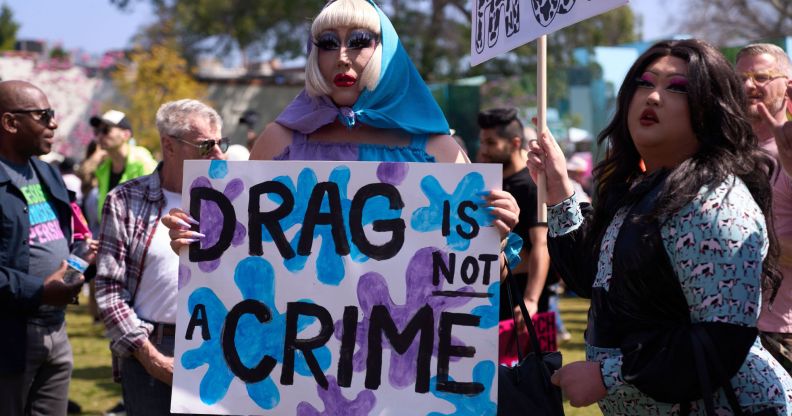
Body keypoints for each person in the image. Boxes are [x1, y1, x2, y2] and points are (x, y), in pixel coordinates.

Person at [527, 39, 792, 413]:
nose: (653, 97)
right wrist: (558, 192)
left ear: (710, 109)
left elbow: (720, 338)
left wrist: (610, 374)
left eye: (678, 88)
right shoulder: (640, 188)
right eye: (644, 83)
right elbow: (592, 279)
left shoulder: (714, 199)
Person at [165, 0, 519, 273]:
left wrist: (496, 238)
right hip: (299, 356)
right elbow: (235, 259)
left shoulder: (438, 150)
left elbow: (480, 283)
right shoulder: (280, 141)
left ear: (387, 52)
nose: (343, 58)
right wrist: (194, 240)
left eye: (360, 41)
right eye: (329, 43)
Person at [95, 99, 227, 416]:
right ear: (169, 145)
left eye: (222, 144)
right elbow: (109, 291)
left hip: (220, 345)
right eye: (206, 145)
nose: (219, 155)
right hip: (150, 348)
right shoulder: (126, 199)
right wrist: (151, 358)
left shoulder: (235, 196)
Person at [0, 80, 87, 416]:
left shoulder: (47, 173)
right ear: (10, 123)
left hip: (57, 329)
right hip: (11, 337)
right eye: (44, 115)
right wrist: (40, 291)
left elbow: (68, 237)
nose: (54, 123)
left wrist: (82, 260)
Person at [736, 43, 792, 375]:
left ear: (788, 86)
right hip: (723, 326)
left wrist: (743, 241)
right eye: (740, 77)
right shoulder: (723, 149)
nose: (747, 86)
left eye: (761, 76)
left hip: (780, 331)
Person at [477, 108, 551, 325]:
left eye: (491, 143)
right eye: (482, 142)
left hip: (520, 293)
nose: (484, 150)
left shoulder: (532, 186)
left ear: (515, 143)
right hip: (490, 290)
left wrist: (530, 298)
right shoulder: (489, 182)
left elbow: (542, 244)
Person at [89, 109, 157, 219]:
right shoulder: (103, 169)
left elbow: (155, 205)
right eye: (97, 132)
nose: (100, 136)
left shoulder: (142, 161)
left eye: (106, 130)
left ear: (126, 134)